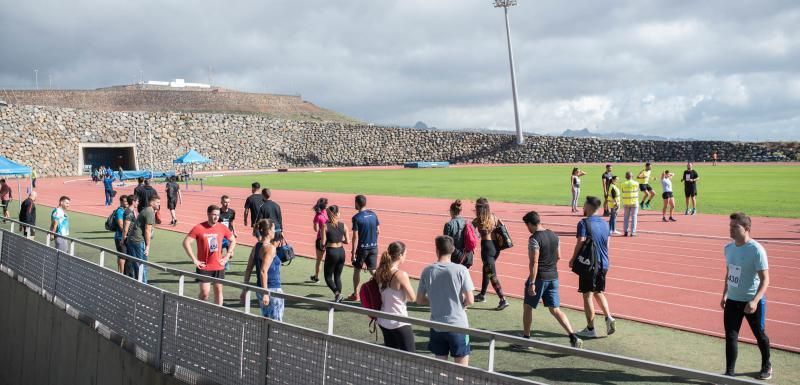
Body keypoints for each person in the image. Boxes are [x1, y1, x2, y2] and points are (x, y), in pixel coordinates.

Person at [513, 211, 582, 349]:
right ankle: (573, 336)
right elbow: (559, 256)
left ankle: (526, 340)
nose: (527, 228)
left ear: (530, 224)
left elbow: (534, 262)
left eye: (527, 225)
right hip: (553, 277)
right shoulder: (554, 235)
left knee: (527, 307)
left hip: (539, 278)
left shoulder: (534, 238)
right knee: (555, 309)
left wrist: (532, 282)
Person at [721, 212, 771, 380]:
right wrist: (725, 294)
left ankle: (766, 365)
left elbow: (765, 280)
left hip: (751, 302)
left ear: (747, 229)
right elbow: (729, 274)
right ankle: (729, 372)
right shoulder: (728, 248)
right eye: (730, 226)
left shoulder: (756, 250)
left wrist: (755, 301)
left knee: (760, 335)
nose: (731, 230)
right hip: (733, 301)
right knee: (731, 337)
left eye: (735, 227)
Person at [417, 235, 475, 366]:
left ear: (437, 250)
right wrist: (462, 303)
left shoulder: (427, 271)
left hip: (437, 326)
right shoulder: (461, 270)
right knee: (461, 370)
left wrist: (435, 300)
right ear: (453, 249)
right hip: (458, 326)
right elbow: (470, 300)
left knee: (440, 370)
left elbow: (419, 300)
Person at [570, 196, 616, 339]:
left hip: (590, 265)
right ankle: (608, 317)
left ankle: (590, 329)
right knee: (598, 291)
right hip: (604, 263)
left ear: (589, 206)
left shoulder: (583, 223)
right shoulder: (605, 224)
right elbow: (607, 244)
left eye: (584, 204)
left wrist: (573, 258)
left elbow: (580, 242)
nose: (583, 206)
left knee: (587, 295)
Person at [183, 204, 236, 306]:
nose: (216, 217)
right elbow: (186, 242)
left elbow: (233, 240)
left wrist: (227, 256)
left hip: (218, 265)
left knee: (218, 291)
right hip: (204, 266)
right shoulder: (199, 228)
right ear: (208, 214)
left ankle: (218, 313)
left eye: (218, 215)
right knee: (205, 293)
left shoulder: (222, 227)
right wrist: (194, 259)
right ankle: (200, 310)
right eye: (214, 214)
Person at [375, 241, 416, 352]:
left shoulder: (379, 271)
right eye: (405, 254)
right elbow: (413, 297)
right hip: (399, 321)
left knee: (391, 354)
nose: (405, 257)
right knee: (411, 356)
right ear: (399, 255)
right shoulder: (401, 275)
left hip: (383, 320)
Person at [241, 219, 284, 320]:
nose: (275, 231)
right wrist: (266, 293)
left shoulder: (256, 246)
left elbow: (248, 270)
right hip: (272, 289)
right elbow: (263, 271)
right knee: (276, 321)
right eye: (273, 229)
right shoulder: (270, 248)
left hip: (260, 288)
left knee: (266, 319)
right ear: (268, 231)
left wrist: (244, 289)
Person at [472, 198, 509, 310]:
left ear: (479, 208)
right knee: (486, 271)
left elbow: (469, 230)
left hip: (487, 249)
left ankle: (502, 299)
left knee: (491, 275)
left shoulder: (478, 220)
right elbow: (503, 226)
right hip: (495, 248)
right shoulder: (494, 217)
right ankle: (482, 295)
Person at [347, 194, 380, 301]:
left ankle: (355, 294)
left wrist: (352, 253)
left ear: (357, 203)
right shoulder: (373, 215)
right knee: (373, 271)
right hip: (374, 247)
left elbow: (355, 236)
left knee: (357, 270)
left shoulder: (356, 218)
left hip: (362, 249)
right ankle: (384, 290)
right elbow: (378, 231)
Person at [321, 205, 349, 302]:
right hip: (341, 252)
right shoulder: (344, 225)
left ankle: (337, 293)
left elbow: (323, 243)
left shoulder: (325, 226)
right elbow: (348, 241)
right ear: (337, 214)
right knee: (337, 276)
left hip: (332, 252)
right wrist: (340, 240)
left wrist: (323, 245)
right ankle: (338, 297)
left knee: (328, 277)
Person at [129, 195, 158, 283]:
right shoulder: (149, 212)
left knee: (137, 264)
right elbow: (147, 230)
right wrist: (148, 246)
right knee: (142, 265)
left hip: (133, 239)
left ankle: (138, 283)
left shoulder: (147, 210)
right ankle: (144, 286)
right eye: (157, 202)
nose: (159, 204)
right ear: (151, 202)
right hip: (138, 240)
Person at [443, 199, 472, 268]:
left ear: (451, 211)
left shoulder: (449, 224)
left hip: (455, 256)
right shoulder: (467, 223)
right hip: (467, 255)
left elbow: (446, 244)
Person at [310, 197, 329, 283]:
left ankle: (317, 277)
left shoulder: (317, 216)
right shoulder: (328, 212)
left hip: (321, 239)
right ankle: (330, 279)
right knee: (330, 260)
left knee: (319, 260)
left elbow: (315, 229)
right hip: (330, 239)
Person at [121, 195, 139, 278]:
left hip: (131, 237)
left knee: (131, 258)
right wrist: (123, 238)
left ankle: (130, 275)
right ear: (133, 201)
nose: (138, 203)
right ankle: (129, 276)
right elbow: (126, 227)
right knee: (130, 259)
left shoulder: (131, 211)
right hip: (129, 238)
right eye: (137, 201)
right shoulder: (129, 212)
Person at [218, 195, 238, 271]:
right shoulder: (218, 212)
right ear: (221, 202)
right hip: (220, 236)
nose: (227, 204)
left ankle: (225, 260)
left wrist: (234, 232)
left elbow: (232, 222)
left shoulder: (232, 212)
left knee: (231, 254)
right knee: (219, 253)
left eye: (228, 202)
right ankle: (223, 263)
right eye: (225, 202)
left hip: (229, 235)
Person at [112, 195, 129, 273]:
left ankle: (120, 272)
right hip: (120, 237)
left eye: (127, 201)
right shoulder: (120, 211)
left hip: (123, 236)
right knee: (122, 257)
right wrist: (126, 233)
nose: (126, 203)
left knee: (121, 256)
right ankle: (121, 273)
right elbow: (121, 224)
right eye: (125, 201)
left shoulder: (126, 210)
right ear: (121, 202)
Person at [620, 171, 640, 237]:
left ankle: (625, 231)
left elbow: (622, 190)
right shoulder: (636, 183)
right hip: (634, 202)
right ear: (632, 176)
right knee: (634, 217)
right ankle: (633, 232)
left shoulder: (623, 184)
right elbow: (637, 190)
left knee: (626, 217)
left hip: (626, 202)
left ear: (626, 177)